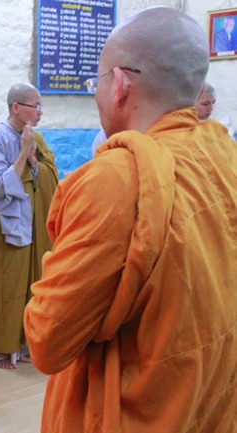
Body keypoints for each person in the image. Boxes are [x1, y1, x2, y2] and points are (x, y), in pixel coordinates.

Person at [25, 7, 237, 432]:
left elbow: (48, 339)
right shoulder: (224, 154)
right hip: (209, 403)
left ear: (120, 85)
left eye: (97, 83)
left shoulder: (115, 180)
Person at [0, 83, 58, 369]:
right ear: (16, 107)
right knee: (4, 283)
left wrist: (34, 159)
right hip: (3, 221)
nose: (40, 112)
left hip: (32, 219)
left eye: (40, 106)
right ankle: (1, 349)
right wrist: (24, 153)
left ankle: (25, 343)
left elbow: (51, 175)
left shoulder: (36, 137)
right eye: (35, 106)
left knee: (31, 281)